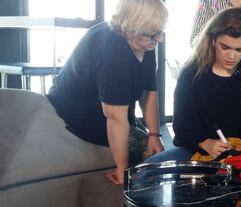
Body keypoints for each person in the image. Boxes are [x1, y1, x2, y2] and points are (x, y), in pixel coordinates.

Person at [47, 0, 167, 184]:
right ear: (129, 29)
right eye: (153, 35)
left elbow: (149, 91)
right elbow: (115, 118)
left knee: (156, 149)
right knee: (151, 161)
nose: (160, 39)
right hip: (81, 112)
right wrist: (122, 169)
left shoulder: (145, 40)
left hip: (115, 108)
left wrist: (154, 134)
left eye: (160, 31)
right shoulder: (113, 54)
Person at [145, 7, 241, 163]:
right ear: (213, 40)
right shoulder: (192, 73)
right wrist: (204, 142)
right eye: (225, 47)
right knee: (145, 172)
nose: (231, 56)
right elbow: (182, 125)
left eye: (239, 49)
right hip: (197, 151)